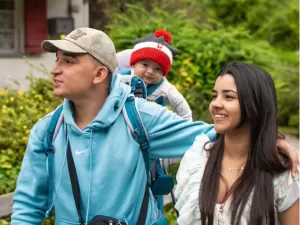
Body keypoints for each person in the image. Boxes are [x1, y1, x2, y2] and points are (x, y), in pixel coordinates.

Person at [10, 28, 297, 225]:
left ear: (99, 73)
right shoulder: (48, 131)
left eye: (69, 61)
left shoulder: (140, 118)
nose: (55, 69)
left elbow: (207, 132)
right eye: (57, 60)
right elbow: (27, 206)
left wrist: (268, 139)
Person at [175, 62, 299, 225]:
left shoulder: (281, 173)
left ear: (255, 104)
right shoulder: (198, 159)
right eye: (214, 96)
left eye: (228, 97)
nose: (215, 104)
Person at [117, 29, 193, 121]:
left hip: (151, 128)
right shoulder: (122, 76)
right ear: (133, 65)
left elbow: (182, 107)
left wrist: (186, 126)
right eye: (145, 65)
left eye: (157, 69)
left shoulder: (165, 88)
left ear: (163, 73)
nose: (150, 71)